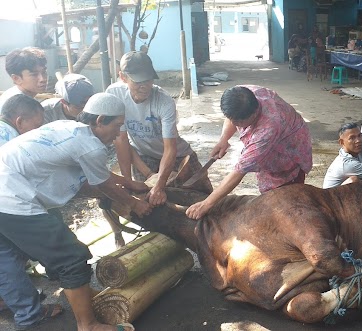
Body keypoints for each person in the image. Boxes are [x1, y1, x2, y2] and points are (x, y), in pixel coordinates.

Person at [0, 93, 149, 331]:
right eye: (117, 126)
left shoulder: (68, 127)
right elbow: (102, 185)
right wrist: (135, 203)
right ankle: (88, 325)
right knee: (72, 258)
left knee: (8, 256)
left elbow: (93, 175)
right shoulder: (90, 147)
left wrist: (129, 183)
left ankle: (79, 293)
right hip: (12, 199)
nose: (119, 133)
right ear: (100, 120)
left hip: (6, 189)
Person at [186, 85, 313, 219]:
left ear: (254, 113)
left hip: (289, 150)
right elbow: (231, 117)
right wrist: (224, 139)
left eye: (238, 122)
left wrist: (206, 204)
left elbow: (239, 171)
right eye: (232, 119)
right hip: (275, 138)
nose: (234, 123)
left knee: (287, 203)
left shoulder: (268, 129)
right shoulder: (244, 94)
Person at [107, 51, 210, 207]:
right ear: (123, 77)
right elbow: (121, 140)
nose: (144, 87)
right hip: (143, 155)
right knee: (147, 204)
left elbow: (170, 149)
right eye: (138, 82)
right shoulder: (114, 95)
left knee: (203, 201)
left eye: (148, 80)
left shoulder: (164, 101)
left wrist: (159, 185)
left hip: (178, 157)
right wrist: (129, 181)